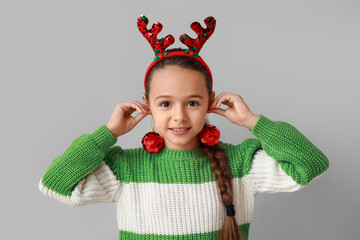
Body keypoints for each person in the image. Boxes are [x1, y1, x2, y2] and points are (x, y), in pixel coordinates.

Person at [39, 15, 329, 240]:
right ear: (147, 104)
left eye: (192, 103)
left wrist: (253, 121)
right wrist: (108, 133)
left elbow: (311, 164)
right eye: (165, 104)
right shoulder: (124, 168)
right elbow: (55, 185)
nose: (179, 116)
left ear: (210, 103)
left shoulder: (240, 164)